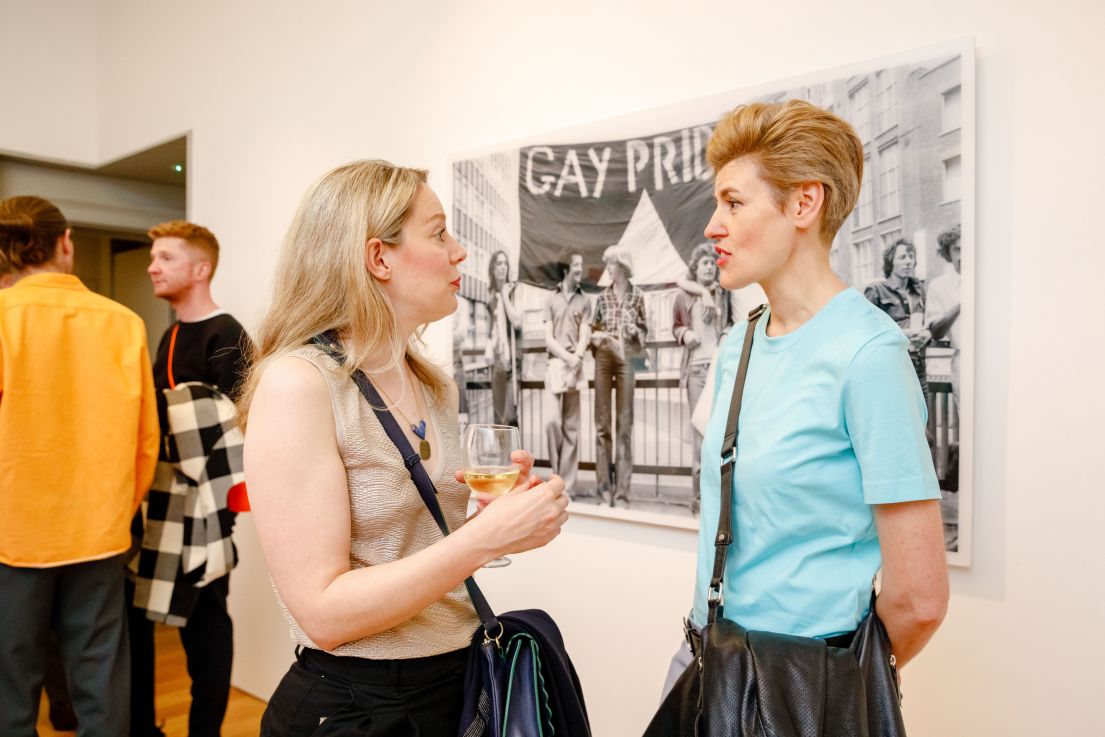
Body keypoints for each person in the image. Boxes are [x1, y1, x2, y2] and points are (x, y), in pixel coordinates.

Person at [237, 160, 568, 736]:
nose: (459, 251)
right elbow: (323, 614)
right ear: (378, 258)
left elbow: (419, 544)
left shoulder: (430, 382)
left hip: (454, 685)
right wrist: (482, 539)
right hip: (358, 708)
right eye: (439, 232)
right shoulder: (299, 385)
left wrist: (499, 519)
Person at [662, 101, 948, 700]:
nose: (713, 225)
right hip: (703, 661)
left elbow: (918, 599)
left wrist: (832, 688)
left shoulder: (869, 355)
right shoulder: (738, 344)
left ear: (803, 204)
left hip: (797, 687)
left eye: (733, 203)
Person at [0, 196, 159, 736]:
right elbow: (146, 441)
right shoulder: (124, 323)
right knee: (100, 676)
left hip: (12, 535)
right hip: (99, 530)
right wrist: (118, 510)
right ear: (65, 240)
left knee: (9, 684)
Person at [128, 220, 250, 737]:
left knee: (205, 629)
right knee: (136, 621)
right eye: (153, 257)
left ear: (200, 269)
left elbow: (237, 431)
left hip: (206, 512)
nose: (153, 266)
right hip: (157, 505)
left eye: (166, 258)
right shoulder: (167, 334)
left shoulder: (228, 334)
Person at [672, 242, 732, 515]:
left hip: (720, 368)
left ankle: (720, 498)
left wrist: (725, 335)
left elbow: (730, 322)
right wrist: (686, 334)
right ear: (695, 268)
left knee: (722, 433)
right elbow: (675, 326)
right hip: (696, 369)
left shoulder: (724, 293)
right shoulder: (683, 296)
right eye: (704, 263)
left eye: (712, 262)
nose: (709, 266)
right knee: (700, 434)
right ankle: (698, 500)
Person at [590, 245, 647, 509]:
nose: (608, 269)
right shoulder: (601, 299)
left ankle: (622, 494)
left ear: (621, 266)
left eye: (611, 264)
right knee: (603, 426)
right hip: (603, 356)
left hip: (627, 358)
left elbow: (645, 332)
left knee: (625, 425)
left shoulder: (637, 297)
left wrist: (635, 329)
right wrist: (598, 337)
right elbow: (592, 331)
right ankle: (604, 491)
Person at [543, 252, 592, 498]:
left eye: (581, 265)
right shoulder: (551, 299)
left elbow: (585, 334)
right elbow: (548, 339)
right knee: (552, 421)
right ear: (565, 269)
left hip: (575, 365)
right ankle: (556, 476)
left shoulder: (584, 301)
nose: (579, 269)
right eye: (576, 265)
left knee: (572, 427)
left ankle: (567, 486)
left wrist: (578, 358)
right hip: (556, 364)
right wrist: (568, 357)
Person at [864, 238, 931, 402]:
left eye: (911, 256)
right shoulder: (876, 291)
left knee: (923, 422)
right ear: (890, 262)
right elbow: (865, 332)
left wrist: (927, 335)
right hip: (890, 367)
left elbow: (929, 323)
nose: (908, 261)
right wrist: (903, 334)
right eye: (902, 257)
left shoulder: (919, 290)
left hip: (918, 366)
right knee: (896, 420)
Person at [925, 225, 962, 404]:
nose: (964, 255)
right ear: (948, 253)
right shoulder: (939, 286)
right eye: (958, 249)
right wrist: (961, 305)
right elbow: (936, 331)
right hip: (963, 362)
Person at [486, 249, 521, 426]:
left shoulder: (514, 293)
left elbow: (517, 322)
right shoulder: (491, 299)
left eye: (505, 263)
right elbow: (490, 331)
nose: (502, 267)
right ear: (493, 269)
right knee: (498, 417)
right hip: (497, 361)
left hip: (512, 362)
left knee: (510, 416)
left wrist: (505, 296)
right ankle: (501, 454)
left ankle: (513, 453)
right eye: (498, 263)